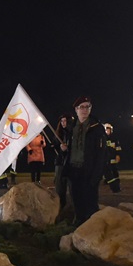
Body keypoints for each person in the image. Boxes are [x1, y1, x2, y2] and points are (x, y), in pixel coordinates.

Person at [60, 96, 106, 225]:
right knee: (77, 202)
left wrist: (97, 174)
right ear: (76, 109)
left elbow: (101, 153)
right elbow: (70, 149)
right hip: (74, 171)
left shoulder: (97, 128)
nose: (85, 110)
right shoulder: (71, 128)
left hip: (89, 171)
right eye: (82, 107)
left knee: (91, 203)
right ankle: (78, 227)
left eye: (87, 107)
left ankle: (91, 231)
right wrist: (65, 149)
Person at [51, 113, 72, 208]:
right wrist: (59, 147)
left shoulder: (74, 133)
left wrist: (68, 148)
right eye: (62, 121)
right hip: (60, 163)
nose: (63, 123)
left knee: (73, 188)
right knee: (60, 187)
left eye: (65, 121)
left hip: (71, 162)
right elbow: (53, 146)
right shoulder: (58, 133)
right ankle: (61, 207)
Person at [102, 123, 121, 193]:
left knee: (114, 169)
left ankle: (116, 182)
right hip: (106, 158)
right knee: (107, 171)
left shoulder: (114, 138)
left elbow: (118, 148)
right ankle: (108, 182)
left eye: (108, 130)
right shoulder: (102, 138)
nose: (107, 131)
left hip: (113, 157)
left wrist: (118, 155)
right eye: (106, 130)